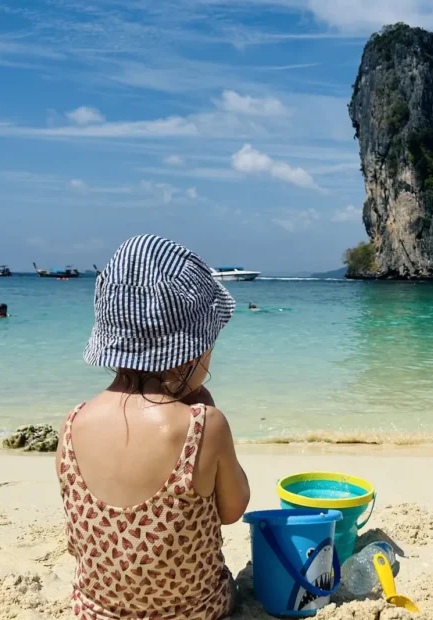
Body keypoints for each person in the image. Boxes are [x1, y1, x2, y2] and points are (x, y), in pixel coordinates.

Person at [56, 234, 249, 620]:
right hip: (194, 611)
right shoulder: (204, 426)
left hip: (98, 612)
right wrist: (205, 412)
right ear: (192, 348)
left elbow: (77, 541)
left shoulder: (73, 423)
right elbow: (233, 509)